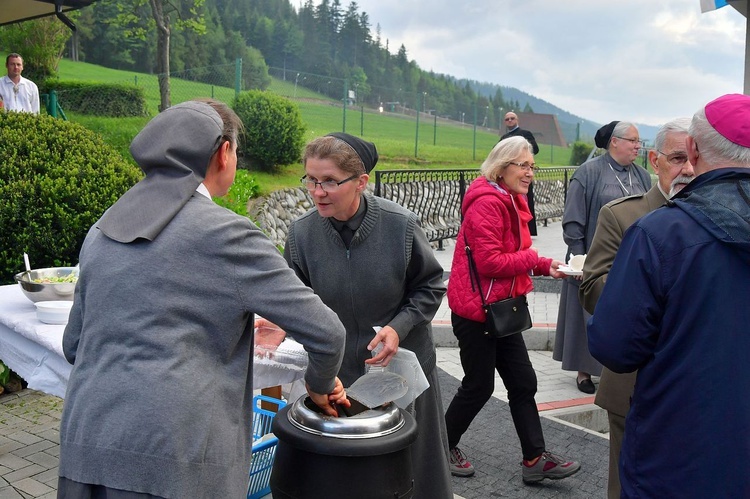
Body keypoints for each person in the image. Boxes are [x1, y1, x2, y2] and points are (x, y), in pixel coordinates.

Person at [57, 100, 349, 499]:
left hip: (86, 442)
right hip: (176, 458)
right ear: (223, 152)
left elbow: (73, 346)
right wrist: (318, 384)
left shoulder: (103, 228)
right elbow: (327, 332)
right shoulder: (227, 234)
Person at [588, 93, 750, 498]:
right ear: (655, 160)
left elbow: (616, 345)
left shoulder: (660, 233)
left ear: (694, 149)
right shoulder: (632, 218)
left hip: (679, 442)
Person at [282, 132, 454, 498]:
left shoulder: (401, 225)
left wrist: (398, 327)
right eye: (311, 180)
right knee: (353, 475)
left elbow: (431, 285)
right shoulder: (301, 235)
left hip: (402, 370)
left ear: (361, 182)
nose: (317, 191)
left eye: (329, 181)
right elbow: (293, 303)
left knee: (415, 468)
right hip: (339, 380)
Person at [444, 135, 581, 484]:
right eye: (523, 165)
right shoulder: (487, 203)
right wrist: (537, 260)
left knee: (523, 382)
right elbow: (490, 262)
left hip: (499, 308)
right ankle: (441, 444)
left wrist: (544, 264)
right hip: (477, 311)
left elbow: (510, 255)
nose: (529, 172)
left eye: (532, 166)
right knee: (479, 386)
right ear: (501, 167)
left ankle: (535, 459)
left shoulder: (507, 199)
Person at [578, 117, 695, 498]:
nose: (688, 169)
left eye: (695, 158)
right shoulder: (623, 215)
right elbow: (592, 288)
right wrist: (646, 281)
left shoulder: (713, 219)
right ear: (654, 160)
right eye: (678, 158)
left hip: (693, 387)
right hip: (634, 383)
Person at [553, 121, 651, 394]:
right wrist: (580, 257)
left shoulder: (642, 175)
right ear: (614, 142)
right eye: (632, 140)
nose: (637, 146)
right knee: (586, 313)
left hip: (631, 260)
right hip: (594, 260)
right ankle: (584, 372)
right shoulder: (588, 172)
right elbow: (573, 219)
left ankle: (617, 370)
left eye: (638, 140)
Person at [500, 111, 539, 235]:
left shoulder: (525, 134)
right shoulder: (504, 138)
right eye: (507, 119)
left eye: (512, 118)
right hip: (508, 177)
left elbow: (535, 149)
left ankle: (526, 230)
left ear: (517, 120)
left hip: (522, 174)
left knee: (524, 202)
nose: (510, 121)